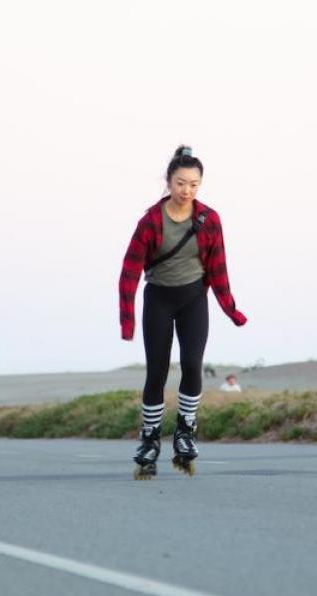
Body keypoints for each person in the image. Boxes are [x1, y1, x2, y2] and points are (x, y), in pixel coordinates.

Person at [119, 145, 248, 478]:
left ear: (199, 184)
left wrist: (231, 310)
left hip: (193, 299)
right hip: (159, 299)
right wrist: (128, 319)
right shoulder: (150, 220)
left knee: (192, 364)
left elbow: (219, 270)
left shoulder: (209, 220)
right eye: (180, 183)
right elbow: (130, 271)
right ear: (169, 181)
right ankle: (150, 439)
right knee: (157, 370)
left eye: (193, 184)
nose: (186, 190)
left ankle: (185, 431)